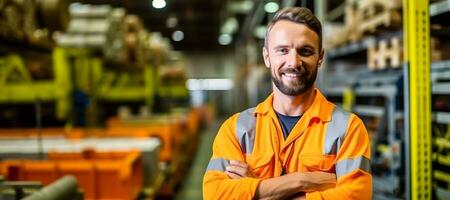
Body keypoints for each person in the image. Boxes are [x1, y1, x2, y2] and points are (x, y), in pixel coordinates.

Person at [203, 7, 372, 200]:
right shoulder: (236, 129)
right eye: (283, 50)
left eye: (305, 51)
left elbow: (357, 196)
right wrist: (302, 181)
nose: (293, 62)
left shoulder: (348, 129)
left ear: (320, 58)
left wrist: (257, 189)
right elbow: (215, 194)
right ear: (267, 57)